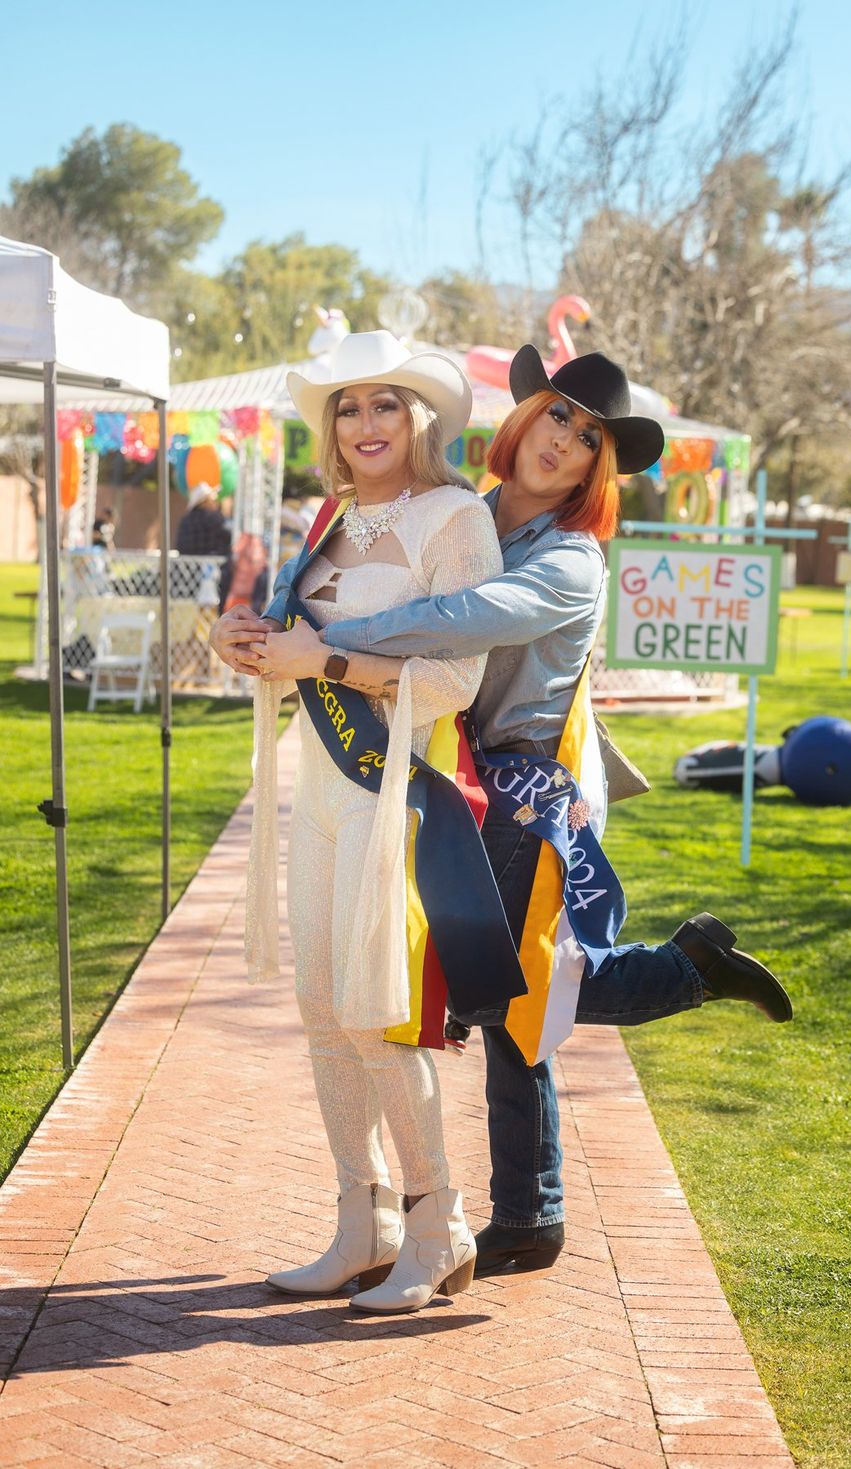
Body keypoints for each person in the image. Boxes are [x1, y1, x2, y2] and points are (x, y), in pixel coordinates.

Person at [213, 346, 792, 1279]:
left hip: (519, 786)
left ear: (599, 467)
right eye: (556, 416)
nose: (564, 440)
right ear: (520, 421)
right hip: (446, 767)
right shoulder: (472, 515)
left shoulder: (571, 560)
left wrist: (317, 644)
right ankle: (526, 1211)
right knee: (492, 990)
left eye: (588, 436)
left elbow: (460, 619)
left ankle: (684, 977)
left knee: (509, 989)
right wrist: (268, 626)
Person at [219, 330, 519, 1314]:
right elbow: (296, 640)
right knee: (318, 1005)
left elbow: (455, 677)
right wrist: (246, 640)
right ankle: (365, 1218)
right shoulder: (330, 517)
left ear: (419, 417)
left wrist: (327, 665)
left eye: (385, 403)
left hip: (396, 789)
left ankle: (440, 1224)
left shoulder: (453, 517)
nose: (365, 423)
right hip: (321, 792)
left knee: (378, 1012)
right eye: (348, 407)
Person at [175, 483, 232, 558]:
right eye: (212, 499)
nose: (215, 501)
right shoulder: (213, 518)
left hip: (188, 567)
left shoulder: (185, 520)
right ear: (204, 502)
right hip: (213, 566)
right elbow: (229, 538)